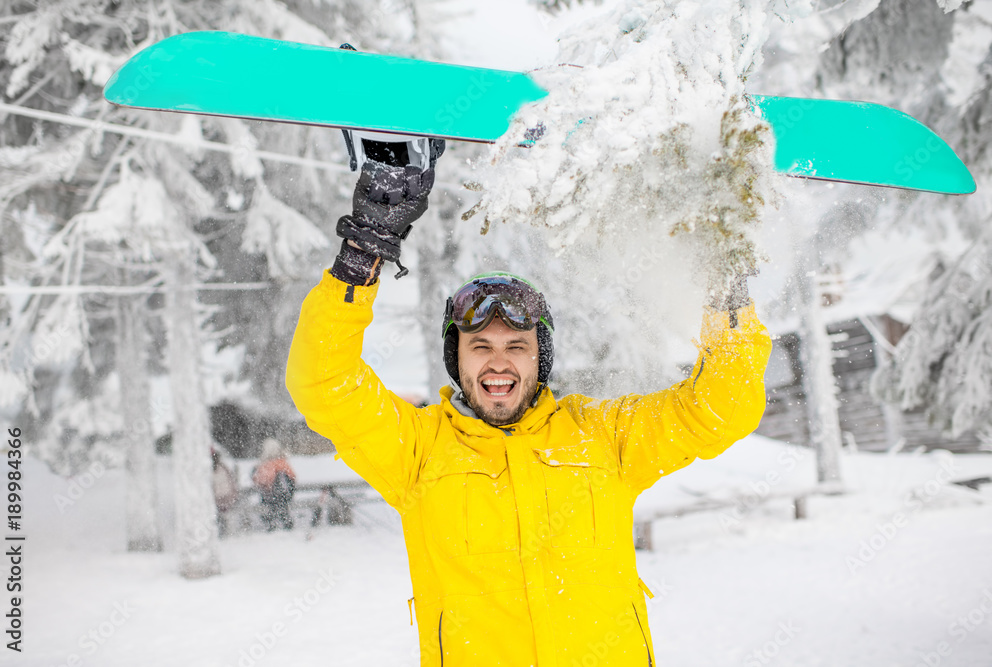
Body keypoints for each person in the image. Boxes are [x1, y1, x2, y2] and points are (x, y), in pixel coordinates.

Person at [286, 136, 772, 666]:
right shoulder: (418, 450)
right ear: (456, 359)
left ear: (540, 360)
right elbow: (321, 381)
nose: (498, 362)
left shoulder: (601, 437)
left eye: (517, 346)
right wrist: (364, 253)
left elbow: (722, 406)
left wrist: (726, 286)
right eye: (480, 347)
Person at [251, 438, 296, 531]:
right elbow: (293, 477)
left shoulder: (265, 464)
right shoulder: (283, 462)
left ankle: (271, 522)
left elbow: (262, 481)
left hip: (271, 496)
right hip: (285, 495)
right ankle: (285, 520)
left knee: (269, 503)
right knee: (281, 505)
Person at [211, 448, 240, 536]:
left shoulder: (209, 471)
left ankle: (221, 530)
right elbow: (232, 482)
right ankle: (223, 529)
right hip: (227, 497)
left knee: (219, 514)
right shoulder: (223, 467)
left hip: (218, 500)